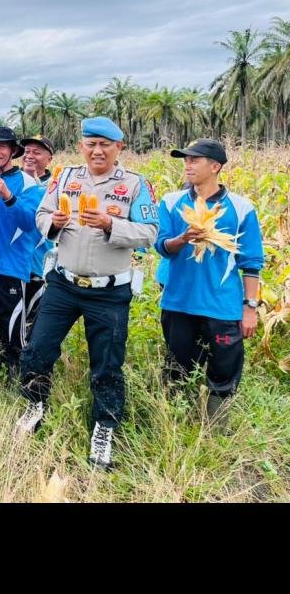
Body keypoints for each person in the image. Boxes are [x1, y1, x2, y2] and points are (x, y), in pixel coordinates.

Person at [16, 116, 158, 469]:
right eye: (91, 143)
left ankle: (103, 429)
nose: (97, 150)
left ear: (118, 148)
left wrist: (112, 225)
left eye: (105, 144)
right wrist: (54, 223)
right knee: (38, 350)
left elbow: (150, 232)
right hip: (63, 285)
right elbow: (41, 215)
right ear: (82, 146)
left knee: (107, 365)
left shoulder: (136, 185)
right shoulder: (65, 178)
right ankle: (35, 405)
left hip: (109, 292)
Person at [154, 138, 264, 428]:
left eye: (195, 159)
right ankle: (176, 424)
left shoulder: (241, 208)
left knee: (224, 368)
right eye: (185, 160)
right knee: (178, 367)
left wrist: (250, 307)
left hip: (222, 305)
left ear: (215, 166)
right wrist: (183, 239)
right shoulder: (170, 202)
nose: (187, 165)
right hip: (179, 302)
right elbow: (162, 246)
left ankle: (216, 428)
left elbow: (251, 263)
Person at [0, 127, 44, 370]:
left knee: (11, 335)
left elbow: (30, 221)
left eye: (1, 146)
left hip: (11, 269)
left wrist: (8, 196)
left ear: (12, 151)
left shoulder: (28, 183)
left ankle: (16, 385)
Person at [19, 135, 57, 332]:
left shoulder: (56, 186)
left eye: (37, 152)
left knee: (32, 320)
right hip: (11, 264)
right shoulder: (13, 180)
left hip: (38, 265)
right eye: (26, 151)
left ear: (49, 158)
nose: (30, 156)